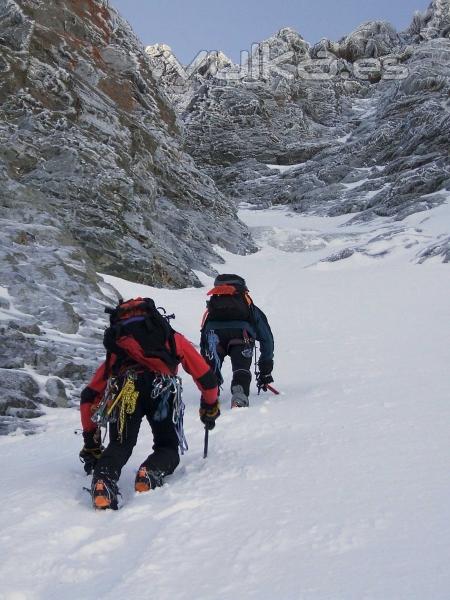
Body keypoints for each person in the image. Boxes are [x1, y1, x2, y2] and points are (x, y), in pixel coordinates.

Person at [79, 297, 220, 510]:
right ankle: (150, 471)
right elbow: (205, 376)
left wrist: (91, 441)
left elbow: (89, 395)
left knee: (120, 445)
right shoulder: (170, 337)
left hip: (125, 391)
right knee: (167, 446)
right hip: (162, 391)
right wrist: (209, 406)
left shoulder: (119, 345)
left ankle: (103, 481)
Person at [200, 274, 274, 408]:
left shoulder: (213, 309)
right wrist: (265, 371)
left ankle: (209, 395)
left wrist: (204, 357)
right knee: (241, 368)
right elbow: (266, 339)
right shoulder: (250, 308)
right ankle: (239, 397)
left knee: (212, 368)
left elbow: (204, 336)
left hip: (213, 335)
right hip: (241, 336)